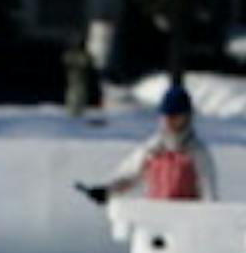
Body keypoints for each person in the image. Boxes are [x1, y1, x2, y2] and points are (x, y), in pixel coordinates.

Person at [80, 81, 219, 205]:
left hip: (183, 224)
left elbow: (209, 194)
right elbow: (129, 176)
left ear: (187, 117)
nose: (170, 120)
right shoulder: (152, 148)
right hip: (153, 219)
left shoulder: (197, 152)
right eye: (166, 115)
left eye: (175, 115)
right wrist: (106, 192)